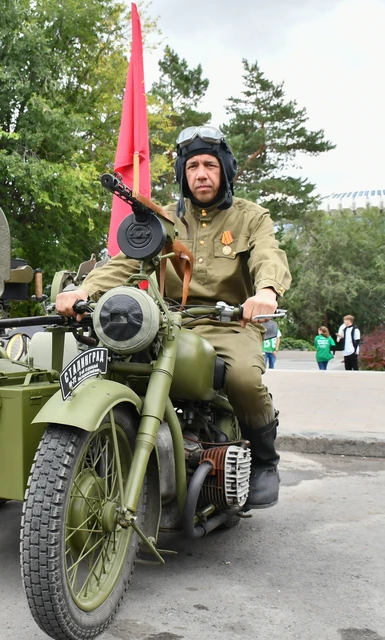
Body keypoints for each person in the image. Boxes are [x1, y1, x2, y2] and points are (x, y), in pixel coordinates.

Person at [55, 125, 291, 511]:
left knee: (244, 379)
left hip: (228, 322)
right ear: (184, 172)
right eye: (194, 165)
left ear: (225, 170)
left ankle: (265, 460)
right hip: (167, 320)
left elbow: (268, 254)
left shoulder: (251, 217)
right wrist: (84, 290)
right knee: (111, 361)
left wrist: (265, 292)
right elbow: (125, 261)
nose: (201, 174)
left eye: (210, 166)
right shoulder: (163, 218)